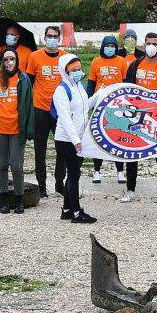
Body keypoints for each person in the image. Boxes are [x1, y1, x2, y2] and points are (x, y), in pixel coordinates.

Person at [123, 32, 157, 202]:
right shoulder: (134, 65)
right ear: (144, 44)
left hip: (156, 115)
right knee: (133, 152)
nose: (151, 46)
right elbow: (127, 88)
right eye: (148, 43)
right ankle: (130, 190)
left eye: (154, 43)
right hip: (137, 114)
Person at [0, 47, 32, 215]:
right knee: (2, 165)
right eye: (6, 60)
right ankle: (3, 198)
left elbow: (29, 104)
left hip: (17, 129)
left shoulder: (23, 79)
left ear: (17, 61)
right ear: (1, 62)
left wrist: (29, 128)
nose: (9, 62)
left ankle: (19, 198)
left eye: (12, 59)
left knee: (17, 166)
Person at [24, 26, 69, 198]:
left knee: (62, 148)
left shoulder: (65, 58)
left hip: (60, 110)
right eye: (48, 36)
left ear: (59, 38)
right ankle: (41, 185)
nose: (51, 39)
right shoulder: (35, 57)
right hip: (40, 108)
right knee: (39, 149)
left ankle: (59, 183)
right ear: (44, 38)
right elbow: (30, 83)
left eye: (54, 36)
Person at [51, 52, 96, 224]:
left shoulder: (80, 86)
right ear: (65, 71)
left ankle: (67, 209)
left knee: (72, 173)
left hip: (79, 138)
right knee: (74, 174)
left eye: (79, 68)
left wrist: (100, 94)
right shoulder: (61, 90)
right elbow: (65, 118)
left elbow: (86, 105)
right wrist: (76, 140)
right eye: (73, 70)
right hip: (67, 140)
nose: (78, 72)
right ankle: (77, 213)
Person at [86, 35, 131, 184]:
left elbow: (126, 83)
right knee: (98, 137)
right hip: (100, 105)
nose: (110, 49)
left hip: (118, 105)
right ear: (103, 47)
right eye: (107, 46)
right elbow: (91, 85)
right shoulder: (95, 62)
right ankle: (97, 171)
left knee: (118, 136)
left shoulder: (122, 62)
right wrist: (89, 104)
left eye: (113, 46)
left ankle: (120, 171)